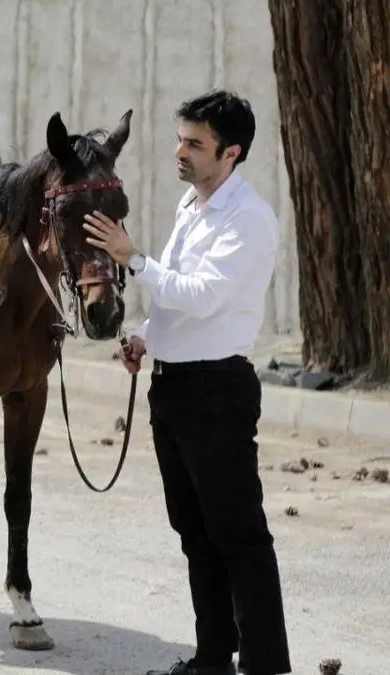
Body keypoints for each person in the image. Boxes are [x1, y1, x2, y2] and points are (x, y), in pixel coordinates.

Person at [81, 90, 292, 675]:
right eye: (180, 138)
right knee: (196, 533)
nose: (180, 151)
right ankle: (212, 661)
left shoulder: (249, 219)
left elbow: (203, 295)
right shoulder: (190, 206)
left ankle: (267, 666)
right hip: (173, 389)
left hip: (217, 392)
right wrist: (146, 336)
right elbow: (179, 303)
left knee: (239, 535)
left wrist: (133, 258)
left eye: (195, 143)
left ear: (231, 152)